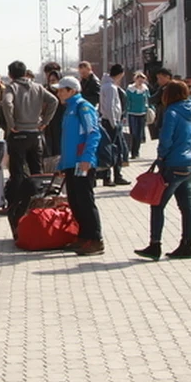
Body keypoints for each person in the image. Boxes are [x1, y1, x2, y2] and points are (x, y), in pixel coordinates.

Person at [135, 80, 191, 260]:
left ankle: (155, 245)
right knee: (186, 207)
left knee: (157, 204)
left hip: (172, 163)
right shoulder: (190, 111)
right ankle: (187, 244)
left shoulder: (171, 112)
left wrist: (161, 157)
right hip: (188, 163)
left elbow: (166, 138)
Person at [54, 76, 104, 256]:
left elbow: (93, 133)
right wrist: (61, 163)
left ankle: (95, 239)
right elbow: (67, 140)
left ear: (72, 91)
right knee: (75, 201)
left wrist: (87, 158)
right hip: (70, 163)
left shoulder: (83, 107)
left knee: (85, 201)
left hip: (81, 163)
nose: (58, 93)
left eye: (61, 90)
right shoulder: (69, 110)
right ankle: (83, 236)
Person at [1, 60, 58, 211]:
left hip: (18, 134)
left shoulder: (11, 87)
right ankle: (38, 203)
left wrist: (11, 124)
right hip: (35, 134)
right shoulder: (37, 87)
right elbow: (54, 101)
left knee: (18, 171)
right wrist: (45, 121)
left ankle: (17, 204)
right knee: (36, 171)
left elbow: (7, 103)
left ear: (10, 74)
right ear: (25, 73)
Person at [99, 64, 130, 186]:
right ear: (120, 74)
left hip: (107, 121)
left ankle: (109, 176)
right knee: (116, 149)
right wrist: (114, 123)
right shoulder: (111, 87)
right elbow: (110, 106)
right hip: (111, 122)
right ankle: (115, 176)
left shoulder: (105, 85)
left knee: (110, 149)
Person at [41, 65, 64, 173]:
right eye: (50, 80)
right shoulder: (46, 93)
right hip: (49, 126)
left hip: (61, 126)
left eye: (54, 80)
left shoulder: (64, 93)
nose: (52, 83)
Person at [126, 71, 150, 159]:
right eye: (139, 80)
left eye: (142, 81)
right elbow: (127, 101)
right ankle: (132, 152)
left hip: (142, 113)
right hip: (132, 113)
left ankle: (137, 151)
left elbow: (148, 99)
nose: (140, 82)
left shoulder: (145, 89)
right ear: (135, 79)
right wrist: (125, 112)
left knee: (140, 134)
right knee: (134, 133)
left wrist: (150, 109)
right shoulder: (130, 89)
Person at [148, 68, 173, 139]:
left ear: (167, 77)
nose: (158, 81)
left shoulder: (166, 88)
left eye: (160, 78)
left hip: (166, 116)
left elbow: (154, 99)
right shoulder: (163, 87)